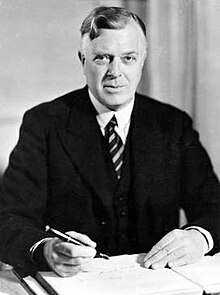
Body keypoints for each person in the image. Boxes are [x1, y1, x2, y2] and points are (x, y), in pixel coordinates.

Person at [0, 6, 220, 278]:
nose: (115, 72)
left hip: (158, 285)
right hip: (73, 286)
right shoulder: (44, 123)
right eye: (103, 58)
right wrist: (46, 249)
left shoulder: (173, 125)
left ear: (143, 60)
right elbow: (8, 220)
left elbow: (215, 209)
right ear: (83, 60)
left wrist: (199, 237)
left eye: (128, 58)